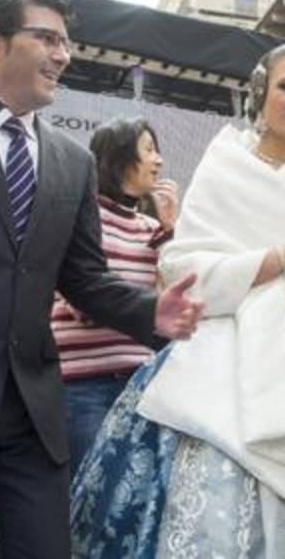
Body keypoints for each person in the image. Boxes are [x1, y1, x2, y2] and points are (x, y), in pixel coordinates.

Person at [0, 0, 202, 559]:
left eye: (66, 42)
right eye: (47, 38)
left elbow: (83, 278)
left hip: (31, 412)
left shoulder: (72, 161)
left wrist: (150, 311)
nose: (63, 55)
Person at [70, 43, 285, 557]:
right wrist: (273, 261)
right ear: (260, 93)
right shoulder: (225, 161)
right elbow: (183, 268)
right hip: (224, 361)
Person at [52, 116, 179, 473]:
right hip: (84, 387)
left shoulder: (153, 229)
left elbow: (170, 308)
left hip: (141, 381)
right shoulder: (82, 217)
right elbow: (83, 301)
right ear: (121, 157)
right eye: (149, 150)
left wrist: (170, 230)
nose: (159, 160)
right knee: (87, 495)